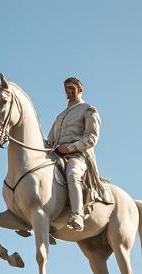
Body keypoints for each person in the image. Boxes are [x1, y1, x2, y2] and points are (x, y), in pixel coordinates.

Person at [46, 77, 107, 231]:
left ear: (80, 89)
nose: (69, 91)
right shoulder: (60, 116)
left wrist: (70, 148)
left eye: (72, 88)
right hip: (57, 156)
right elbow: (50, 139)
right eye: (67, 88)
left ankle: (77, 214)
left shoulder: (88, 109)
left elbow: (92, 137)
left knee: (72, 174)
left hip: (77, 156)